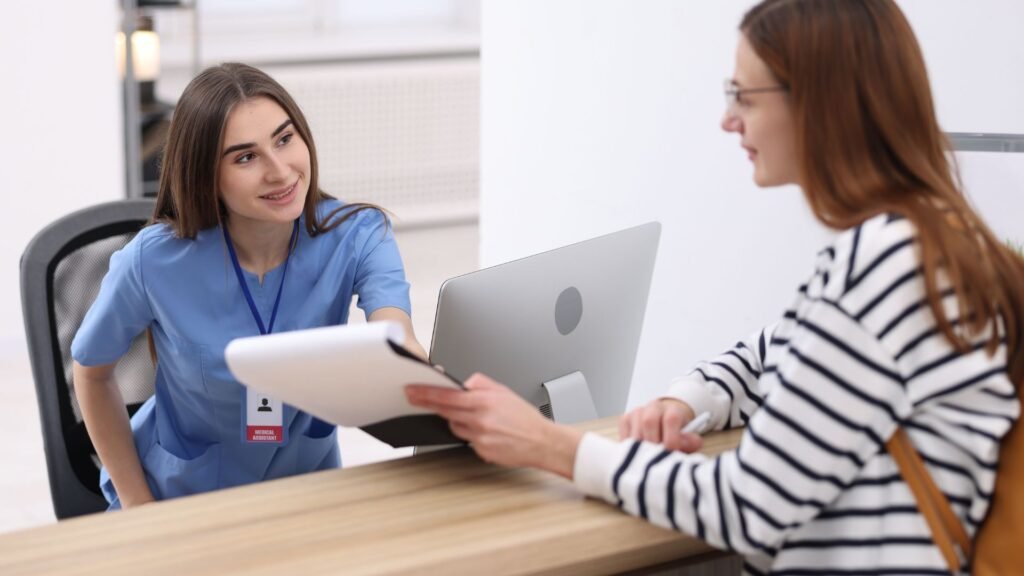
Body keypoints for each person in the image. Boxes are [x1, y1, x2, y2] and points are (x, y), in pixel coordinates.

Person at [405, 0, 1024, 573]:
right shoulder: (929, 239)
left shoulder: (889, 267)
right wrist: (686, 399)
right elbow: (767, 355)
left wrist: (550, 446)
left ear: (819, 103)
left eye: (744, 96)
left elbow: (750, 506)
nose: (728, 120)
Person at [73, 63, 425, 510]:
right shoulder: (154, 260)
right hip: (180, 499)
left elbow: (397, 334)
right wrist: (141, 509)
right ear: (206, 175)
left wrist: (420, 381)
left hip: (304, 497)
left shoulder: (358, 235)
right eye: (245, 157)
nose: (280, 172)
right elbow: (92, 372)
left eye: (284, 139)